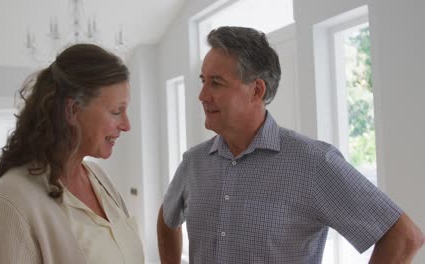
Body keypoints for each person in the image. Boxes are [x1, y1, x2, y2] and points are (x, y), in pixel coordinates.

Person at [157, 26, 424, 264]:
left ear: (257, 90)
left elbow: (403, 238)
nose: (202, 96)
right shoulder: (194, 162)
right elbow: (167, 220)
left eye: (216, 83)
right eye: (204, 81)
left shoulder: (314, 163)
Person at [0, 44, 144, 264]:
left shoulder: (99, 178)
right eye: (116, 111)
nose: (126, 125)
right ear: (72, 110)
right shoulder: (10, 200)